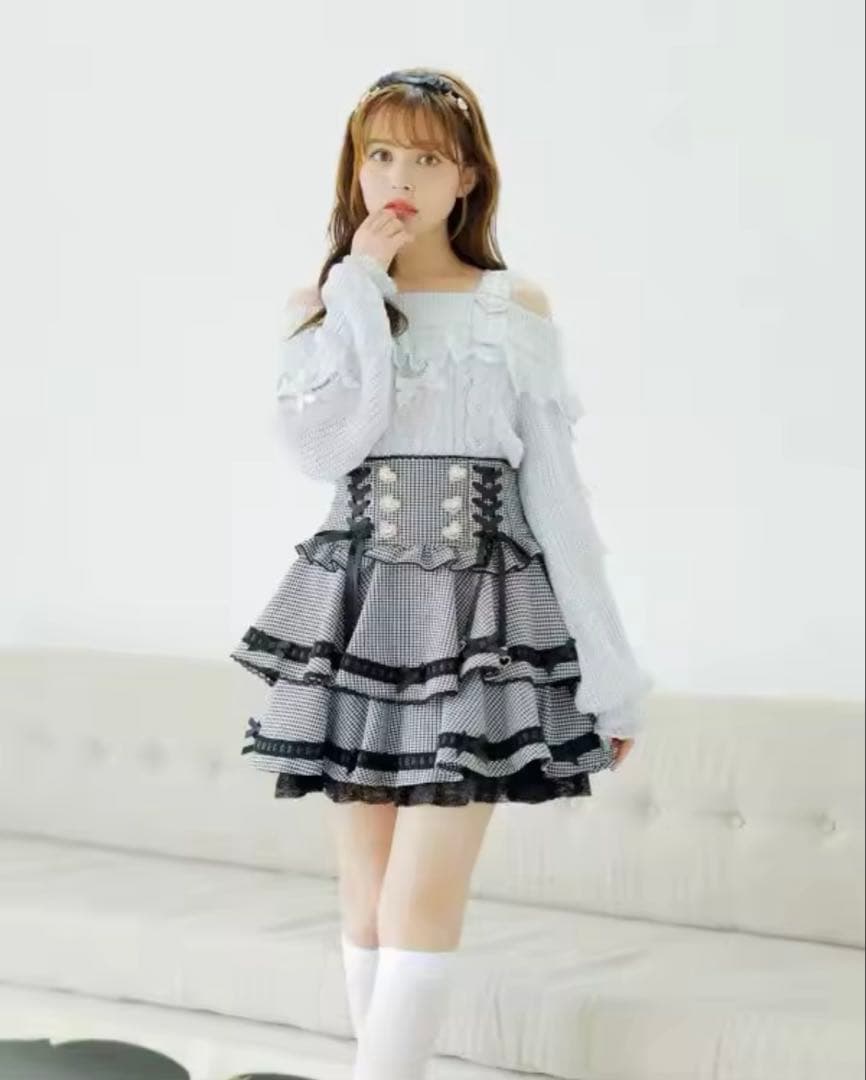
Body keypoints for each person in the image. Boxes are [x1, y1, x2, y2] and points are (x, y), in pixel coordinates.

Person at [229, 67, 653, 1080]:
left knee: (420, 895)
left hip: (481, 623)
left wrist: (611, 672)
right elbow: (327, 449)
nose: (399, 178)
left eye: (426, 158)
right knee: (366, 895)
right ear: (354, 169)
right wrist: (359, 291)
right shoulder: (322, 305)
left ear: (467, 179)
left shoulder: (513, 309)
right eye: (379, 154)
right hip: (358, 612)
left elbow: (559, 502)